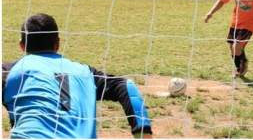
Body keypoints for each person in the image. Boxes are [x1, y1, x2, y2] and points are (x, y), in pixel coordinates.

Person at [2, 13, 153, 139]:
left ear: (22, 45)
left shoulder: (9, 72)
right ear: (58, 43)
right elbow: (126, 85)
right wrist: (143, 133)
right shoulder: (86, 73)